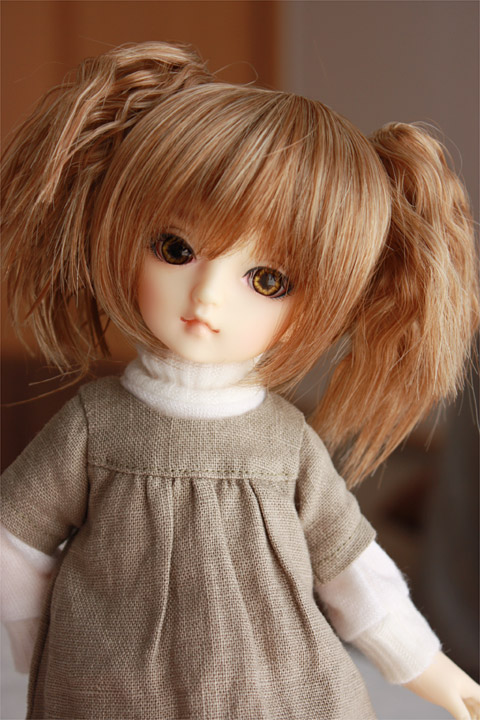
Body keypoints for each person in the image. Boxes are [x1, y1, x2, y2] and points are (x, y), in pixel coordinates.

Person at [1, 41, 479, 720]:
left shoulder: (286, 444)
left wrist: (428, 668)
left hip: (271, 690)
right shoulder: (94, 425)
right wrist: (34, 639)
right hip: (108, 691)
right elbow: (14, 540)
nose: (207, 296)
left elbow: (354, 571)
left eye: (268, 280)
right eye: (176, 248)